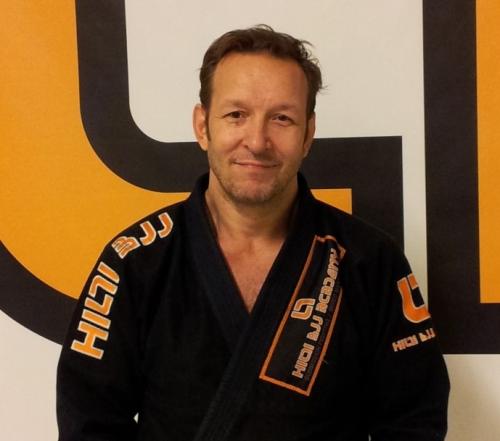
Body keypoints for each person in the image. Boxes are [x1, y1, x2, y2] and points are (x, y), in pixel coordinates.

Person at [57, 25, 449, 440]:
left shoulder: (370, 261)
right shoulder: (135, 262)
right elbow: (89, 421)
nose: (258, 141)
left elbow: (414, 420)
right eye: (236, 115)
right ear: (203, 125)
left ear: (308, 134)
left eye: (282, 118)